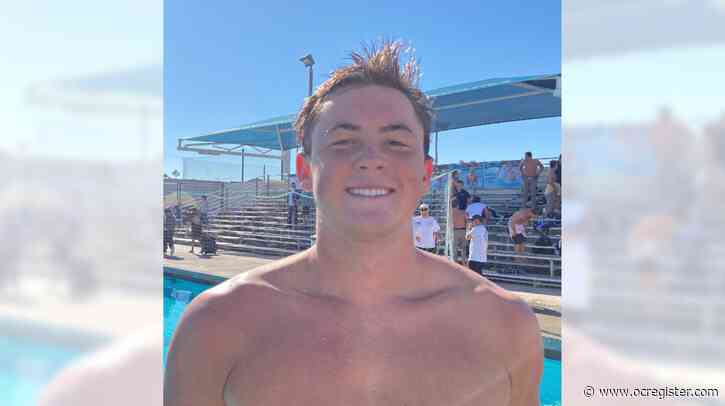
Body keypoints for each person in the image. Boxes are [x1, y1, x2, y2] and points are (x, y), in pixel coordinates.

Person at [165, 41, 542, 406]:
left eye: (396, 143)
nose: (371, 159)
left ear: (427, 174)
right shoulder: (216, 326)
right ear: (303, 172)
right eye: (344, 141)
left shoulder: (506, 326)